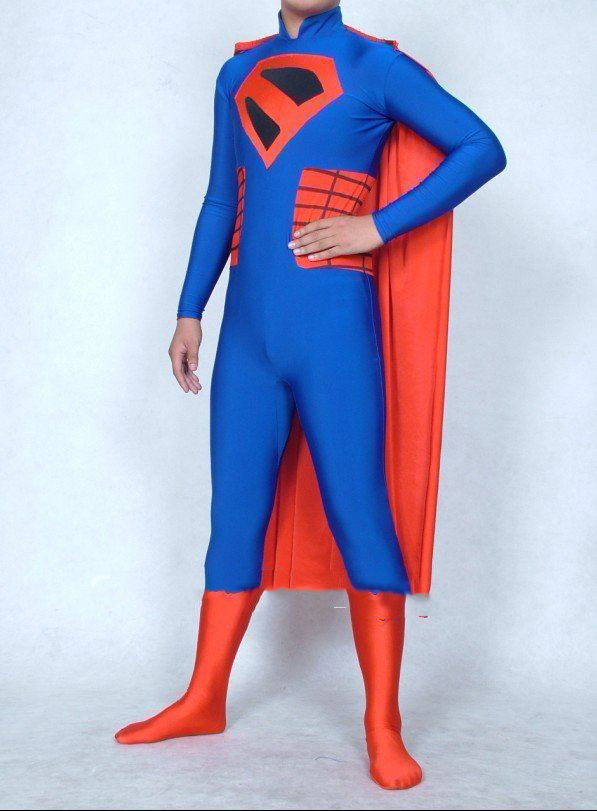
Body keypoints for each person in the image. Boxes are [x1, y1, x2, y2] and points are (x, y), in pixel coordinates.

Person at [115, 0, 505, 791]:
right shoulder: (237, 72)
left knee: (360, 512)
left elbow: (479, 148)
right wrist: (189, 309)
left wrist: (379, 225)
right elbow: (221, 198)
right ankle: (203, 697)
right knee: (235, 514)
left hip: (332, 331)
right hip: (246, 336)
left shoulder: (372, 65)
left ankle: (382, 725)